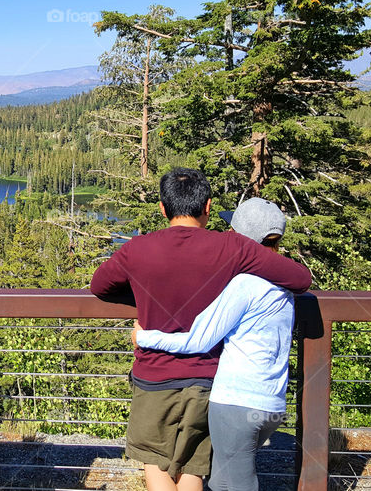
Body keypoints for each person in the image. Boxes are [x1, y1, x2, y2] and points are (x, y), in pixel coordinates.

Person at [90, 169, 312, 491]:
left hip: (154, 374)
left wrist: (142, 293)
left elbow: (100, 286)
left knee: (155, 461)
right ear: (208, 206)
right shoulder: (233, 247)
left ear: (163, 209)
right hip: (210, 378)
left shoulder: (137, 249)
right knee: (195, 466)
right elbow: (300, 279)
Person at [134, 197, 298, 491]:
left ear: (240, 239)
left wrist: (144, 337)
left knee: (237, 484)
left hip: (236, 404)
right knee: (221, 481)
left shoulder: (245, 285)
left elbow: (200, 339)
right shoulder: (284, 286)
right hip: (272, 404)